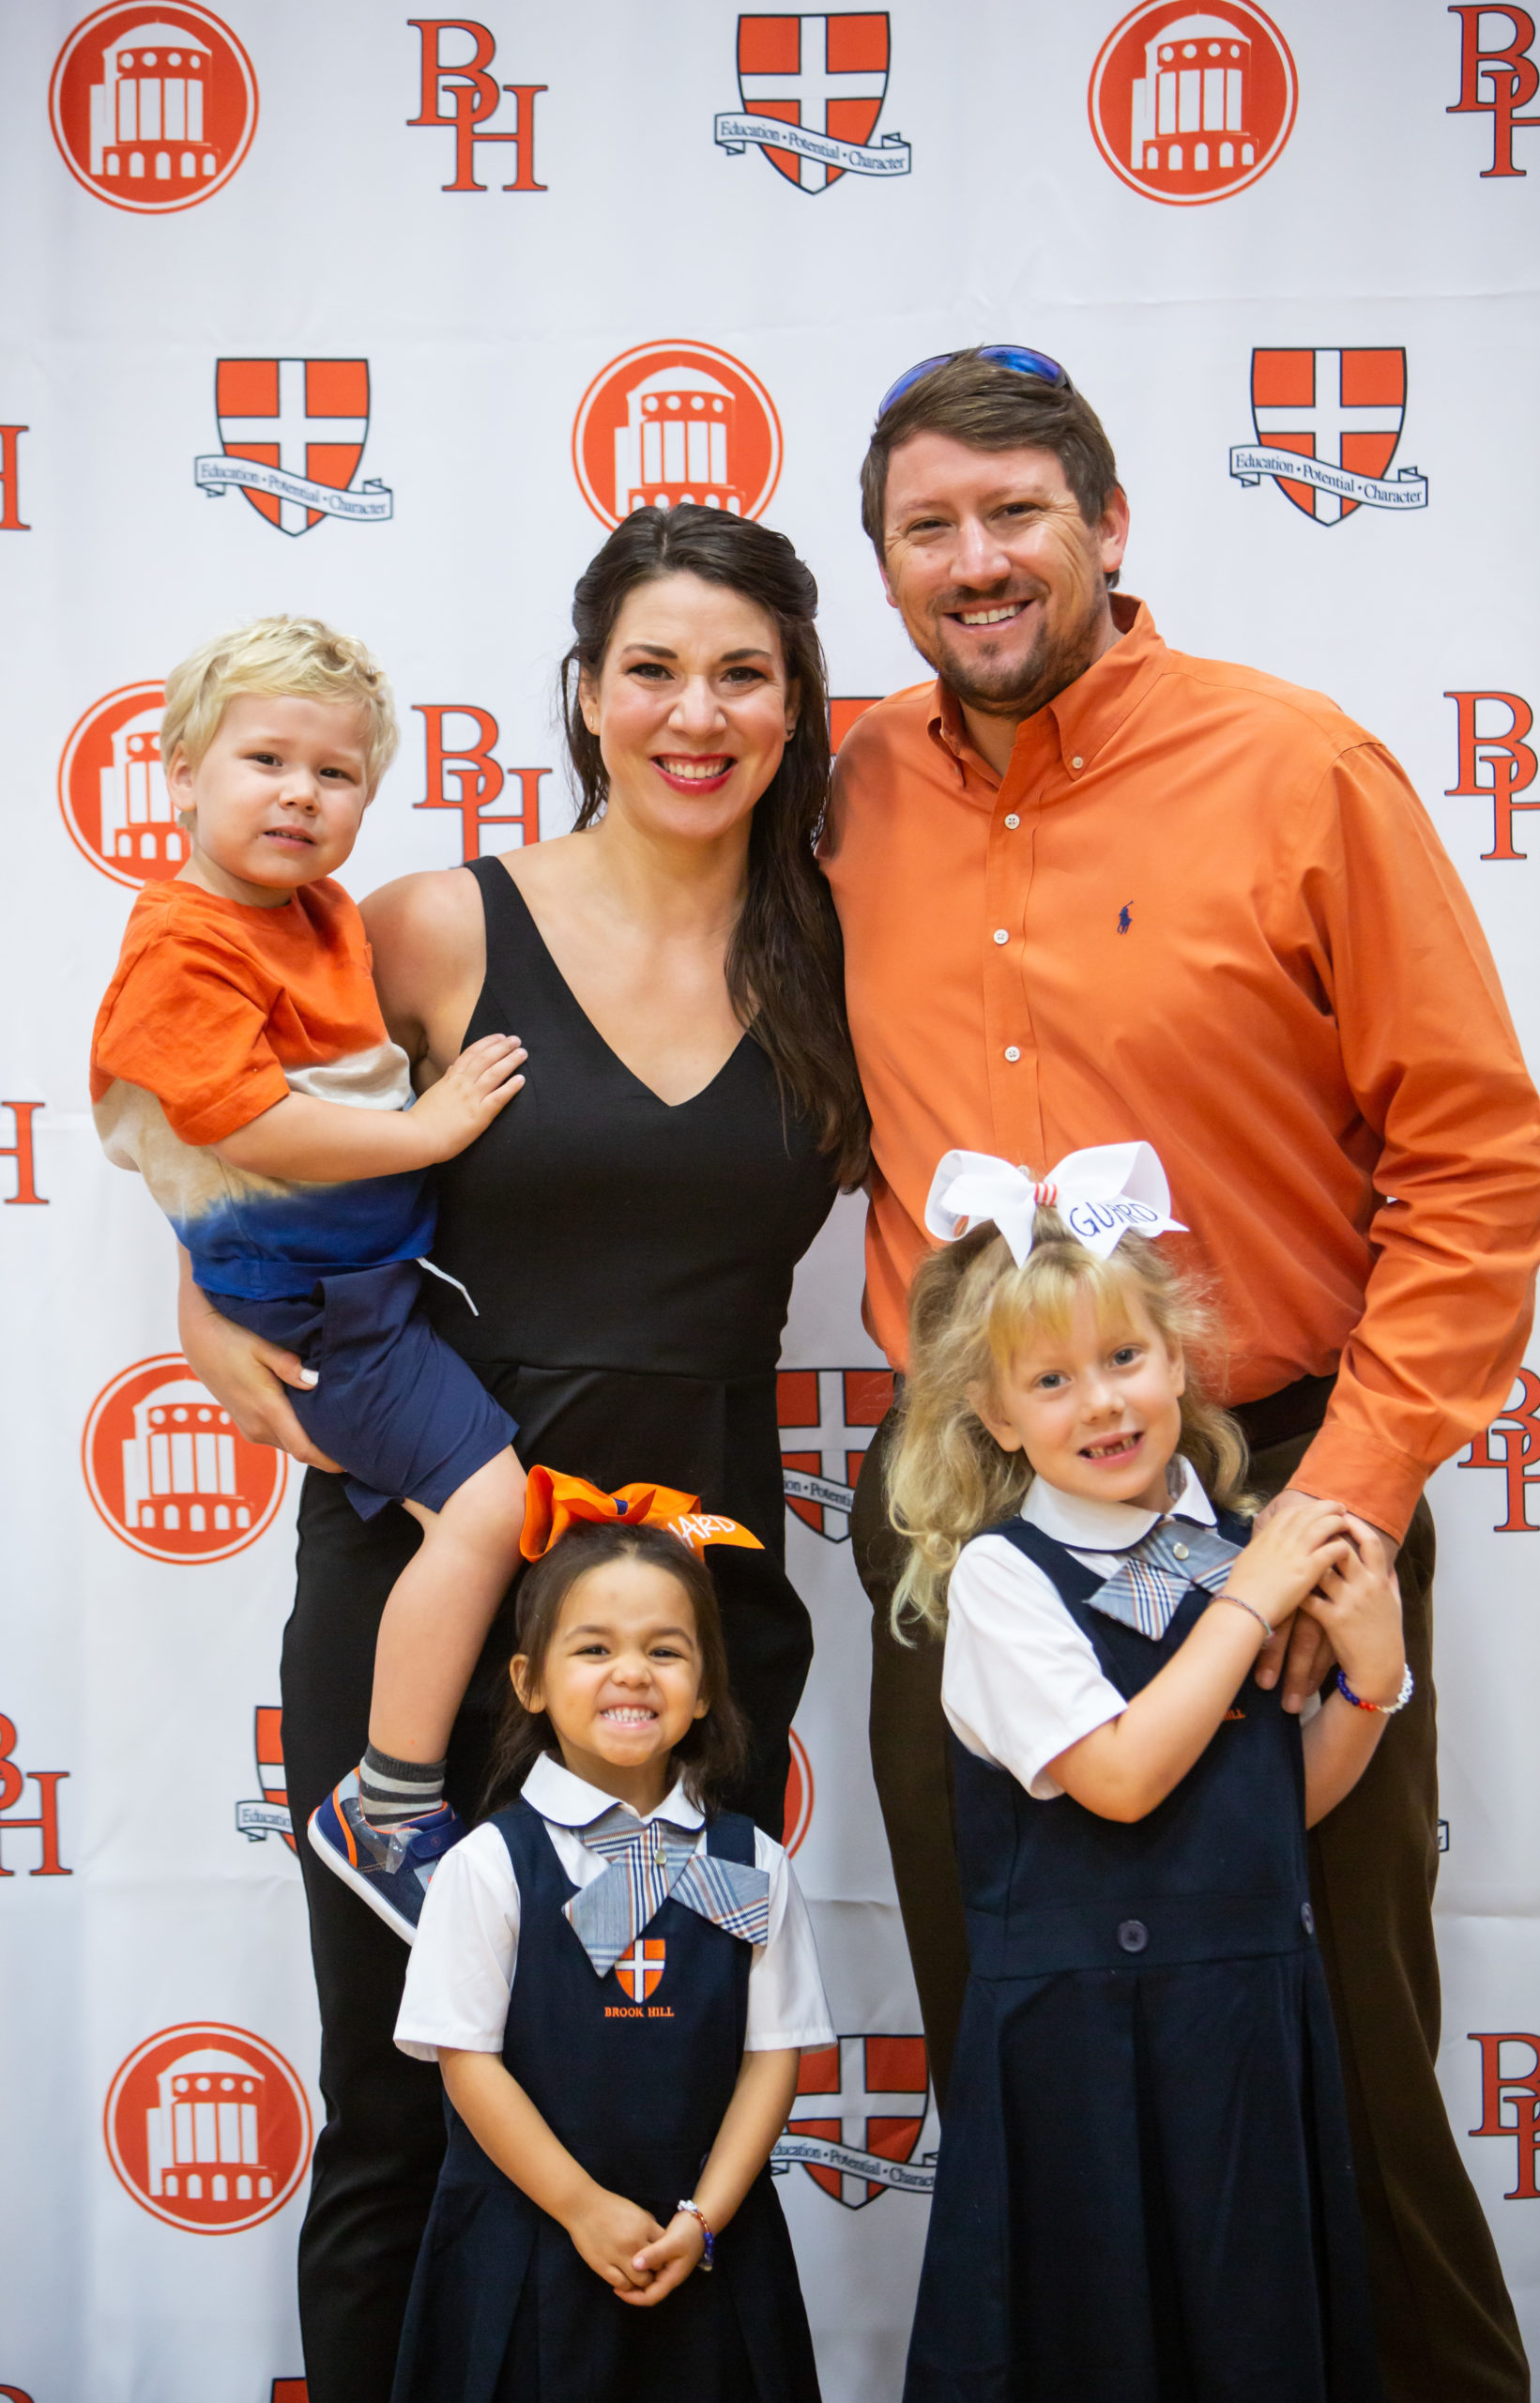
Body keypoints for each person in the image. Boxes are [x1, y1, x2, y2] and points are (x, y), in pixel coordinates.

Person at [824, 346, 1540, 2403]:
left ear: (1109, 524)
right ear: (882, 566)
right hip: (966, 1506)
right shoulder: (838, 790)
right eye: (927, 528)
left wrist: (1345, 1508)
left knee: (1338, 2048)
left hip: (1279, 1480)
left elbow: (1473, 1168)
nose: (976, 562)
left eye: (1014, 513)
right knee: (1021, 2041)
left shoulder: (1297, 767)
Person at [176, 507, 869, 2403]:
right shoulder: (432, 926)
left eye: (740, 673)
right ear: (582, 692)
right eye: (651, 668)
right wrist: (201, 1312)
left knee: (661, 2103)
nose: (693, 712)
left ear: (796, 702)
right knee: (403, 2097)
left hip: (695, 1616)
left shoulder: (846, 952)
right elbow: (240, 1143)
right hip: (430, 1587)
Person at [889, 1142, 1399, 2400]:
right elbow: (1118, 1777)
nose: (1101, 1405)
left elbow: (1278, 1804)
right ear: (998, 1418)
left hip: (1243, 2027)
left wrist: (1371, 1680)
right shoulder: (1004, 1576)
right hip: (1075, 2050)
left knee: (1252, 2342)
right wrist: (1253, 1601)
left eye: (1123, 1358)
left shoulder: (1231, 1553)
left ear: (1178, 1361)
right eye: (1050, 1381)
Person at [91, 617, 532, 1936]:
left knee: (481, 1515)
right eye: (266, 760)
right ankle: (386, 1805)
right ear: (180, 775)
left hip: (365, 1285)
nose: (300, 794)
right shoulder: (185, 941)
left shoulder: (320, 914)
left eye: (335, 775)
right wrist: (427, 1133)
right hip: (324, 1316)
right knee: (490, 1510)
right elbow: (245, 1125)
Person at [391, 1474, 831, 2402]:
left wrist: (704, 2219)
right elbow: (465, 2060)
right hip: (532, 2242)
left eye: (665, 1650)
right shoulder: (491, 1864)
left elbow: (773, 2056)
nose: (631, 1672)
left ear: (704, 1689)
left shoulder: (748, 1860)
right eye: (593, 1648)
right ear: (530, 1681)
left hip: (705, 2247)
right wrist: (582, 2207)